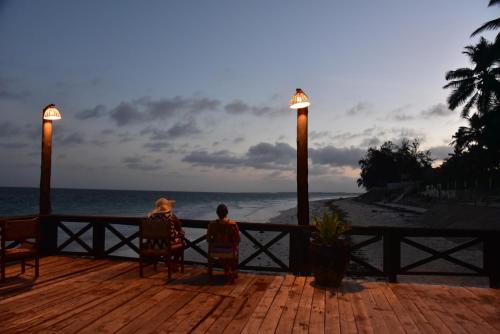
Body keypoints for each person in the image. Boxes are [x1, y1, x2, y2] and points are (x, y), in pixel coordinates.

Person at [147, 197, 185, 269]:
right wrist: (181, 234)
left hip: (152, 245)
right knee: (182, 243)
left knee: (166, 240)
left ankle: (168, 261)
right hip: (166, 245)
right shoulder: (171, 217)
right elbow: (179, 228)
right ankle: (173, 263)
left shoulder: (150, 217)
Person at [207, 204, 240, 281]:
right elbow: (238, 239)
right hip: (229, 250)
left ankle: (227, 270)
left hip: (215, 250)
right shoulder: (233, 224)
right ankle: (229, 270)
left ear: (217, 213)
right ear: (227, 213)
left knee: (223, 254)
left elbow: (208, 238)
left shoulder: (212, 224)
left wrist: (214, 242)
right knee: (233, 249)